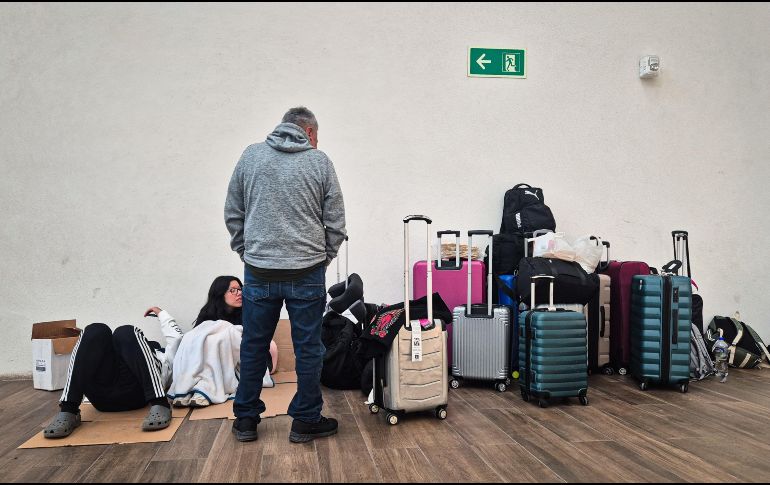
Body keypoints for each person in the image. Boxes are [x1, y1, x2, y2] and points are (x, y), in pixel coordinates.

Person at [225, 106, 346, 443]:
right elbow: (336, 222)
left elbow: (233, 212)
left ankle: (245, 420)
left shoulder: (250, 157)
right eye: (316, 138)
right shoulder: (319, 162)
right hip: (306, 271)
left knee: (253, 345)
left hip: (259, 271)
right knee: (308, 348)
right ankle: (306, 420)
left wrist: (247, 253)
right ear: (309, 132)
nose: (316, 144)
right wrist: (323, 259)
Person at [42, 276, 252, 438]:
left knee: (125, 331)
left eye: (239, 289)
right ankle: (68, 409)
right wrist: (162, 315)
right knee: (95, 330)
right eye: (232, 290)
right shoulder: (143, 351)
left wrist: (163, 315)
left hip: (138, 392)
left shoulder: (166, 356)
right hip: (102, 395)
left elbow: (177, 340)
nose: (238, 293)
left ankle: (159, 403)